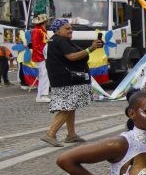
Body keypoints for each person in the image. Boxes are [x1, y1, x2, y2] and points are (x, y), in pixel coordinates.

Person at [41, 18, 102, 147]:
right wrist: (90, 49)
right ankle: (50, 134)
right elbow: (72, 56)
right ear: (58, 30)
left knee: (71, 106)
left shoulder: (56, 41)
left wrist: (89, 49)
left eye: (70, 28)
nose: (70, 30)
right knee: (67, 107)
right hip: (66, 79)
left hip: (63, 79)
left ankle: (71, 135)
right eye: (67, 28)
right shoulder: (60, 41)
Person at [31, 14, 50, 101]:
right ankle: (43, 95)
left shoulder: (42, 30)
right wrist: (42, 55)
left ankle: (40, 95)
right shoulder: (37, 31)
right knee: (44, 75)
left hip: (43, 55)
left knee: (43, 75)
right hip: (41, 56)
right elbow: (36, 45)